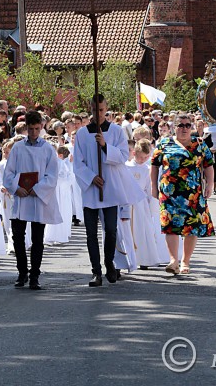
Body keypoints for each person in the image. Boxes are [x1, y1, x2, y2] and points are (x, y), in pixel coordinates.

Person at [73, 94, 144, 287]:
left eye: (102, 110)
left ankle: (109, 262)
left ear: (106, 109)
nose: (98, 114)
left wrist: (105, 146)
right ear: (90, 108)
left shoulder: (115, 131)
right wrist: (90, 177)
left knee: (111, 230)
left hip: (110, 187)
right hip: (91, 188)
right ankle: (96, 271)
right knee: (90, 232)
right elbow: (77, 163)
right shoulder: (81, 134)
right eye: (95, 110)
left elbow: (122, 156)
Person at [3, 110, 60, 290]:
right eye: (30, 129)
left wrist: (39, 188)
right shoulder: (19, 148)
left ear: (42, 127)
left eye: (37, 129)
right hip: (21, 197)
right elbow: (8, 172)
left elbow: (52, 175)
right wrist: (15, 188)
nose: (34, 132)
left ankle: (35, 274)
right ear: (26, 128)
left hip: (37, 197)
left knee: (37, 238)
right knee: (18, 236)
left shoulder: (47, 149)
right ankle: (22, 272)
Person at [151, 114, 214, 275]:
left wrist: (210, 184)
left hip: (193, 192)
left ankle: (185, 261)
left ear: (191, 127)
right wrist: (153, 186)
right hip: (169, 192)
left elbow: (208, 165)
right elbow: (154, 165)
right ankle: (173, 260)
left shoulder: (199, 144)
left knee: (191, 227)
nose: (184, 128)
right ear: (174, 127)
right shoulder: (164, 143)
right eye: (181, 125)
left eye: (187, 125)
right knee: (170, 225)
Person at [126, 139, 160, 269]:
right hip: (129, 203)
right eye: (141, 157)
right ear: (134, 153)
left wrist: (151, 204)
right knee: (130, 230)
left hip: (142, 204)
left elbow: (148, 187)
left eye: (146, 157)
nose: (143, 160)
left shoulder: (147, 169)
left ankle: (144, 259)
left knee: (143, 230)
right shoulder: (127, 166)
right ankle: (130, 258)